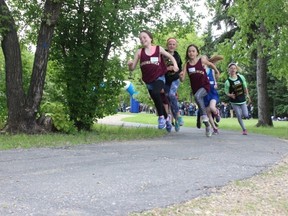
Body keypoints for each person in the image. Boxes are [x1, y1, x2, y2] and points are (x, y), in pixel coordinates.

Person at [127, 30, 179, 131]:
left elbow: (170, 56)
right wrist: (130, 65)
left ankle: (161, 118)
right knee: (156, 100)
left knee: (156, 92)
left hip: (159, 77)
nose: (142, 39)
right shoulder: (139, 52)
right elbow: (132, 68)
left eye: (144, 37)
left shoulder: (158, 49)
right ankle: (167, 118)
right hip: (148, 81)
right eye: (140, 38)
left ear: (150, 38)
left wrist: (175, 65)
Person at [180, 44, 220, 137]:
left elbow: (211, 64)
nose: (191, 53)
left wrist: (217, 72)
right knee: (199, 101)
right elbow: (182, 79)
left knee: (197, 96)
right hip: (196, 89)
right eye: (189, 51)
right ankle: (207, 125)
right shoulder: (186, 64)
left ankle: (205, 118)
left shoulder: (201, 60)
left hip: (205, 86)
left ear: (197, 52)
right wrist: (180, 76)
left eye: (193, 51)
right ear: (187, 53)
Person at [163, 38, 183, 132]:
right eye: (170, 44)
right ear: (167, 45)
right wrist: (168, 68)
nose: (171, 46)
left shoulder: (177, 55)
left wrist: (181, 74)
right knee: (168, 100)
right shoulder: (163, 54)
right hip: (165, 81)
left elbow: (180, 68)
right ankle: (173, 121)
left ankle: (178, 115)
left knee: (171, 95)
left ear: (176, 46)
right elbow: (159, 68)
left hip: (175, 79)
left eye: (173, 44)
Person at [224, 62, 251, 135]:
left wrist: (247, 95)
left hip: (242, 100)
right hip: (234, 101)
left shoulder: (241, 77)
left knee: (245, 115)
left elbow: (245, 86)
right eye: (231, 68)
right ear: (229, 70)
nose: (233, 70)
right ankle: (244, 129)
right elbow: (226, 92)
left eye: (234, 68)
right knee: (239, 115)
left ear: (236, 69)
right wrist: (230, 95)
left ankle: (242, 113)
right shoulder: (227, 82)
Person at [204, 55, 223, 135]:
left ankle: (217, 113)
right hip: (204, 94)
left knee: (212, 107)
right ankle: (214, 128)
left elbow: (215, 81)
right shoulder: (199, 71)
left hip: (212, 93)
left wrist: (215, 84)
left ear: (207, 61)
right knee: (208, 113)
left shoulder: (211, 70)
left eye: (204, 60)